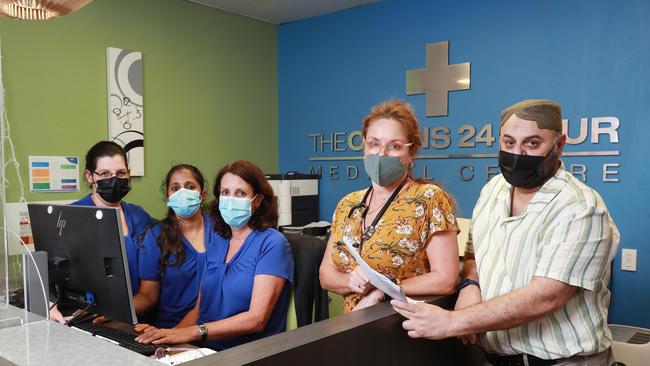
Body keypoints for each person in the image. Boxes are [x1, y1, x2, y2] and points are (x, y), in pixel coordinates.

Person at [392, 99, 619, 366]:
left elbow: (547, 296)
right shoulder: (493, 190)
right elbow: (475, 255)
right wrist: (470, 285)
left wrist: (454, 321)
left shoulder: (580, 206)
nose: (518, 153)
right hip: (495, 358)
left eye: (532, 143)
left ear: (559, 145)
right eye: (509, 142)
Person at [135, 160, 294, 350]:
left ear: (258, 200)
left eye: (240, 193)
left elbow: (256, 319)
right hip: (204, 347)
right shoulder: (218, 241)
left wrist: (193, 332)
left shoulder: (272, 243)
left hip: (246, 352)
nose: (231, 199)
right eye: (225, 192)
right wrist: (166, 337)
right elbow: (199, 309)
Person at [319, 100, 459, 313]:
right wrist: (350, 281)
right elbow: (325, 275)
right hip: (351, 326)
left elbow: (446, 279)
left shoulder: (429, 198)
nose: (381, 154)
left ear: (411, 153)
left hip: (401, 323)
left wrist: (384, 288)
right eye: (374, 143)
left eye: (394, 146)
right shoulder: (348, 204)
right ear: (364, 146)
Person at [50, 141, 153, 323]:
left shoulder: (139, 216)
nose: (114, 180)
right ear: (90, 176)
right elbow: (52, 273)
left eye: (121, 173)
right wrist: (49, 303)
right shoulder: (71, 217)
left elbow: (151, 284)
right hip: (86, 319)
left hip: (137, 319)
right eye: (104, 174)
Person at [133, 164, 209, 328]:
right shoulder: (156, 237)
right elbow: (148, 295)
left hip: (214, 326)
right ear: (168, 197)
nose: (183, 192)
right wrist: (119, 311)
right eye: (175, 188)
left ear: (203, 194)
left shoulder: (220, 231)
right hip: (169, 329)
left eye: (190, 187)